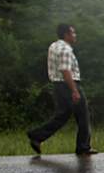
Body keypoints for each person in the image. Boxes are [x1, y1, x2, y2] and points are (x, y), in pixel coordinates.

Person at [27, 24, 97, 156]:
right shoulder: (65, 50)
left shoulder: (54, 46)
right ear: (66, 35)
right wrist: (74, 90)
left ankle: (37, 136)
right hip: (68, 84)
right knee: (83, 115)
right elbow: (65, 71)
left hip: (58, 86)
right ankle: (83, 147)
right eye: (73, 33)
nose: (75, 35)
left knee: (62, 115)